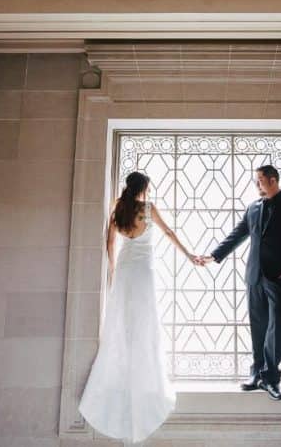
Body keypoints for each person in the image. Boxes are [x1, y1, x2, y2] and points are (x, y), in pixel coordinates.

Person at [78, 171, 199, 444]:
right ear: (144, 188)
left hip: (124, 270)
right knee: (145, 323)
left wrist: (112, 270)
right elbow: (168, 232)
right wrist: (189, 255)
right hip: (144, 272)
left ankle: (121, 380)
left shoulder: (118, 209)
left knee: (121, 324)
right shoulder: (147, 209)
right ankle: (145, 380)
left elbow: (110, 243)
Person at [194, 164, 281, 400]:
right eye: (256, 181)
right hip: (254, 276)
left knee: (276, 328)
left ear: (273, 180)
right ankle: (257, 374)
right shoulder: (253, 207)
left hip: (279, 278)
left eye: (260, 180)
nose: (257, 185)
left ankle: (272, 379)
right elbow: (238, 234)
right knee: (258, 326)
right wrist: (214, 256)